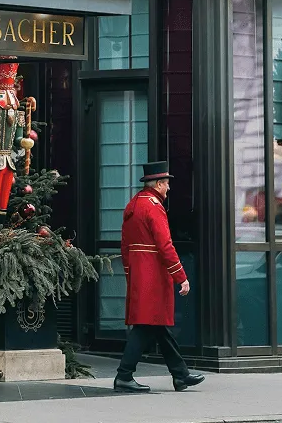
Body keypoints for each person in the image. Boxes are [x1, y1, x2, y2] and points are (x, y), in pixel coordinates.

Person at [114, 161, 205, 393]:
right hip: (153, 275)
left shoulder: (133, 204)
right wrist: (181, 276)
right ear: (158, 184)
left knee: (157, 325)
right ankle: (124, 376)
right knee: (146, 325)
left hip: (139, 272)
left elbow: (124, 245)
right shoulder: (154, 207)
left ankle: (180, 375)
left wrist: (129, 271)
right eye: (166, 184)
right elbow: (165, 245)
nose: (168, 188)